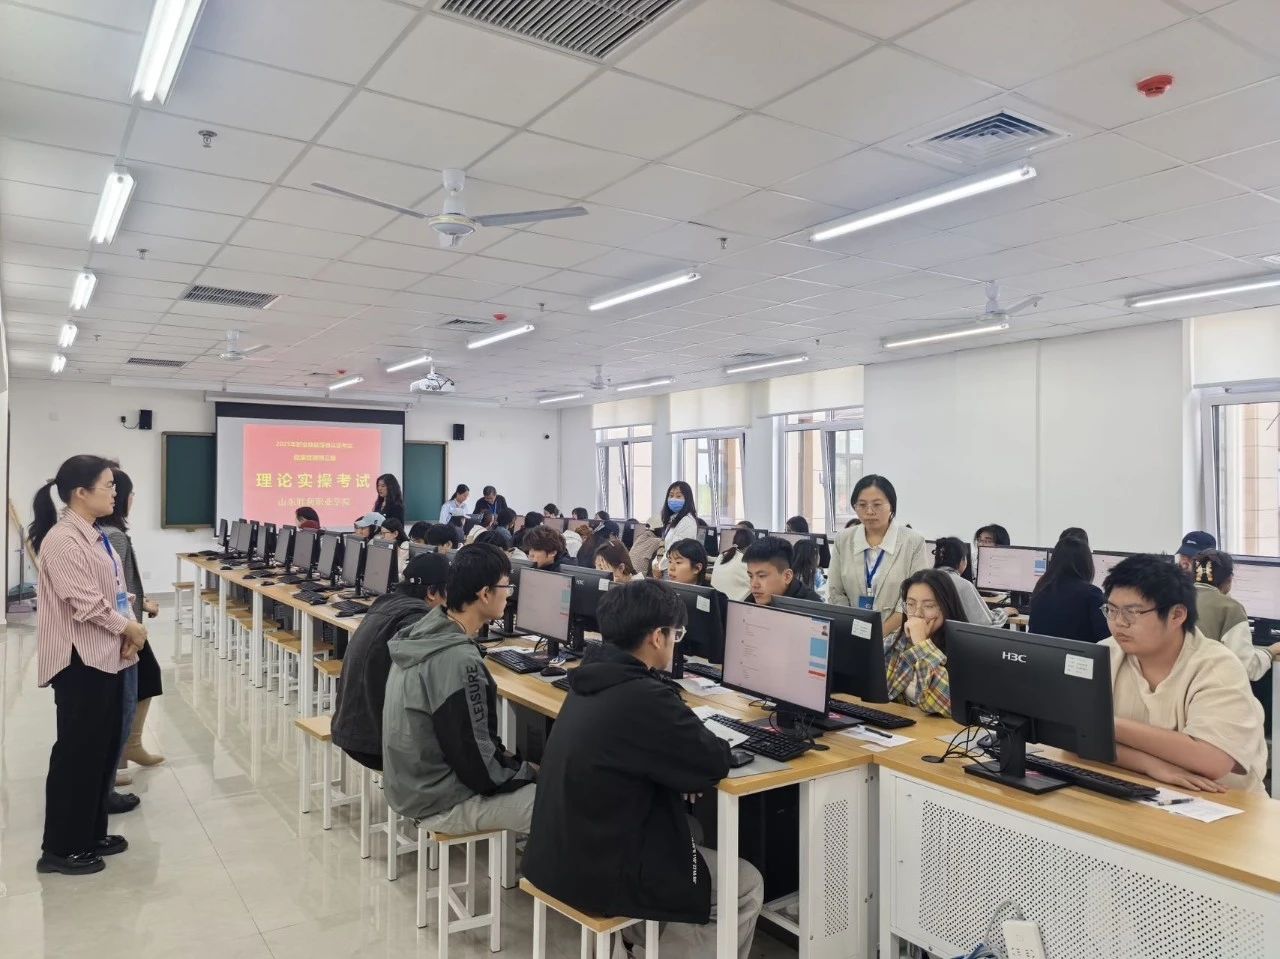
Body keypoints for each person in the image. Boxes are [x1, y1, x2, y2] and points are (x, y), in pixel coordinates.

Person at [522, 580, 764, 958]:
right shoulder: (645, 696)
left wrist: (675, 765)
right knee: (745, 884)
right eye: (676, 634)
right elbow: (713, 760)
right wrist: (683, 767)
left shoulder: (591, 677)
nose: (675, 643)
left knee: (692, 830)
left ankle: (649, 940)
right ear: (656, 637)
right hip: (599, 871)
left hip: (556, 853)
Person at [30, 455, 149, 875]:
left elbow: (114, 592)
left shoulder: (94, 533)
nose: (115, 493)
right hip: (79, 661)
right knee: (77, 754)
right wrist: (129, 628)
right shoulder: (63, 540)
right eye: (108, 485)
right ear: (81, 493)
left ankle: (91, 833)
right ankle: (61, 848)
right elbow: (86, 603)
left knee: (101, 750)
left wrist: (129, 627)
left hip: (105, 655)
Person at [382, 544, 538, 832]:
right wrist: (527, 773)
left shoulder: (424, 633)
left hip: (410, 785)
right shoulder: (458, 659)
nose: (509, 594)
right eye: (507, 587)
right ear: (485, 593)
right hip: (438, 799)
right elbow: (477, 762)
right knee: (558, 807)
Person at [1100, 554, 1267, 792]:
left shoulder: (1216, 666)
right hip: (1144, 788)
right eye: (1112, 610)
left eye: (1132, 612)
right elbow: (1074, 738)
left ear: (1177, 615)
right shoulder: (1106, 653)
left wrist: (1105, 725)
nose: (1119, 623)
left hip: (1223, 802)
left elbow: (1212, 760)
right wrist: (1151, 765)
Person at [331, 553, 448, 770]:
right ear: (432, 592)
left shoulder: (385, 604)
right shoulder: (416, 618)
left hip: (351, 728)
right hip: (375, 742)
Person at [98, 468, 164, 808]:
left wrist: (143, 602)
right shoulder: (115, 536)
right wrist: (131, 627)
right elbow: (116, 589)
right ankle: (125, 752)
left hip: (126, 624)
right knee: (140, 684)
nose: (127, 498)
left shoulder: (105, 532)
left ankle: (126, 752)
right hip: (125, 628)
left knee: (145, 681)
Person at [828, 475, 929, 641]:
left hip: (898, 637)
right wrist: (853, 630)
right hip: (852, 635)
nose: (869, 511)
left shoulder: (913, 542)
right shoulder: (843, 539)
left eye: (877, 504)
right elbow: (836, 592)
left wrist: (877, 635)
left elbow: (914, 599)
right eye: (862, 505)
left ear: (891, 506)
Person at [1192, 550, 1279, 681]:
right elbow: (1248, 669)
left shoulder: (1178, 598)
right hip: (1210, 687)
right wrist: (1271, 651)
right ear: (1229, 579)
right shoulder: (1230, 608)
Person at [886, 570, 963, 717]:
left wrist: (922, 644)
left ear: (946, 607)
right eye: (911, 604)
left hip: (941, 730)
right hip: (904, 726)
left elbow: (950, 706)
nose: (917, 613)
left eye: (928, 606)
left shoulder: (964, 649)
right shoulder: (898, 641)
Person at [1027, 535, 1109, 643]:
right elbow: (1106, 638)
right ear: (1087, 563)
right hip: (1079, 653)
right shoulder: (1092, 594)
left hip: (1040, 652)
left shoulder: (1041, 589)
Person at [932, 537, 1009, 627]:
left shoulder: (925, 579)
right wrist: (1004, 612)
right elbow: (985, 625)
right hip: (955, 635)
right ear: (962, 560)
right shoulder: (963, 585)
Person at [742, 537, 821, 606]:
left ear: (787, 576)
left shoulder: (812, 608)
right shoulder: (751, 600)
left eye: (761, 576)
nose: (754, 585)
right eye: (751, 576)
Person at [656, 482, 699, 573]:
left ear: (687, 499)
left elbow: (676, 551)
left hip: (675, 569)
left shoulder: (687, 521)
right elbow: (664, 547)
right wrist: (656, 565)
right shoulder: (672, 519)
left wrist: (659, 567)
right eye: (671, 496)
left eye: (678, 496)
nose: (673, 499)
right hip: (666, 568)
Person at [710, 524, 754, 602]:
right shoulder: (746, 562)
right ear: (750, 546)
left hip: (717, 603)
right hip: (734, 606)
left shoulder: (721, 556)